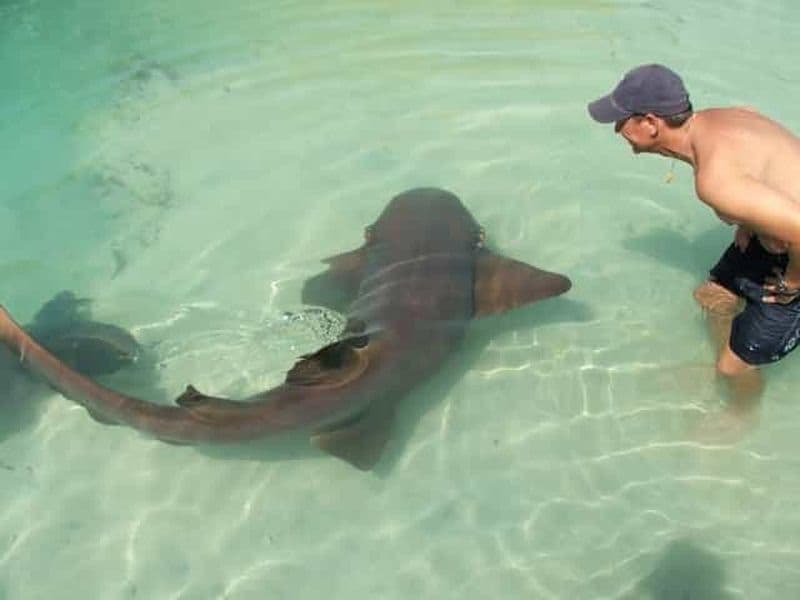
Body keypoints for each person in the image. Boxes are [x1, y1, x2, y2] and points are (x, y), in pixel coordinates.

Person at [587, 64, 800, 423]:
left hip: (794, 258)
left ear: (651, 123)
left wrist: (792, 283)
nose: (616, 129)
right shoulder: (723, 119)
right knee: (712, 296)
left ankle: (738, 415)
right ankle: (731, 352)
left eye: (621, 121)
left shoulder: (716, 181)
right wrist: (752, 216)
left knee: (732, 370)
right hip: (775, 236)